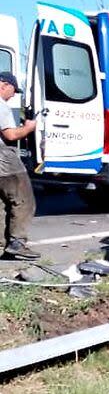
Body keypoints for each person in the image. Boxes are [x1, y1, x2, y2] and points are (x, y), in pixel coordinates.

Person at [0, 72, 38, 260]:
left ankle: (2, 246)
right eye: (13, 91)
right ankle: (17, 242)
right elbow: (10, 135)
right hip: (5, 162)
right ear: (4, 85)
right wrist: (29, 128)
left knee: (3, 204)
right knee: (24, 200)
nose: (13, 96)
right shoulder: (1, 105)